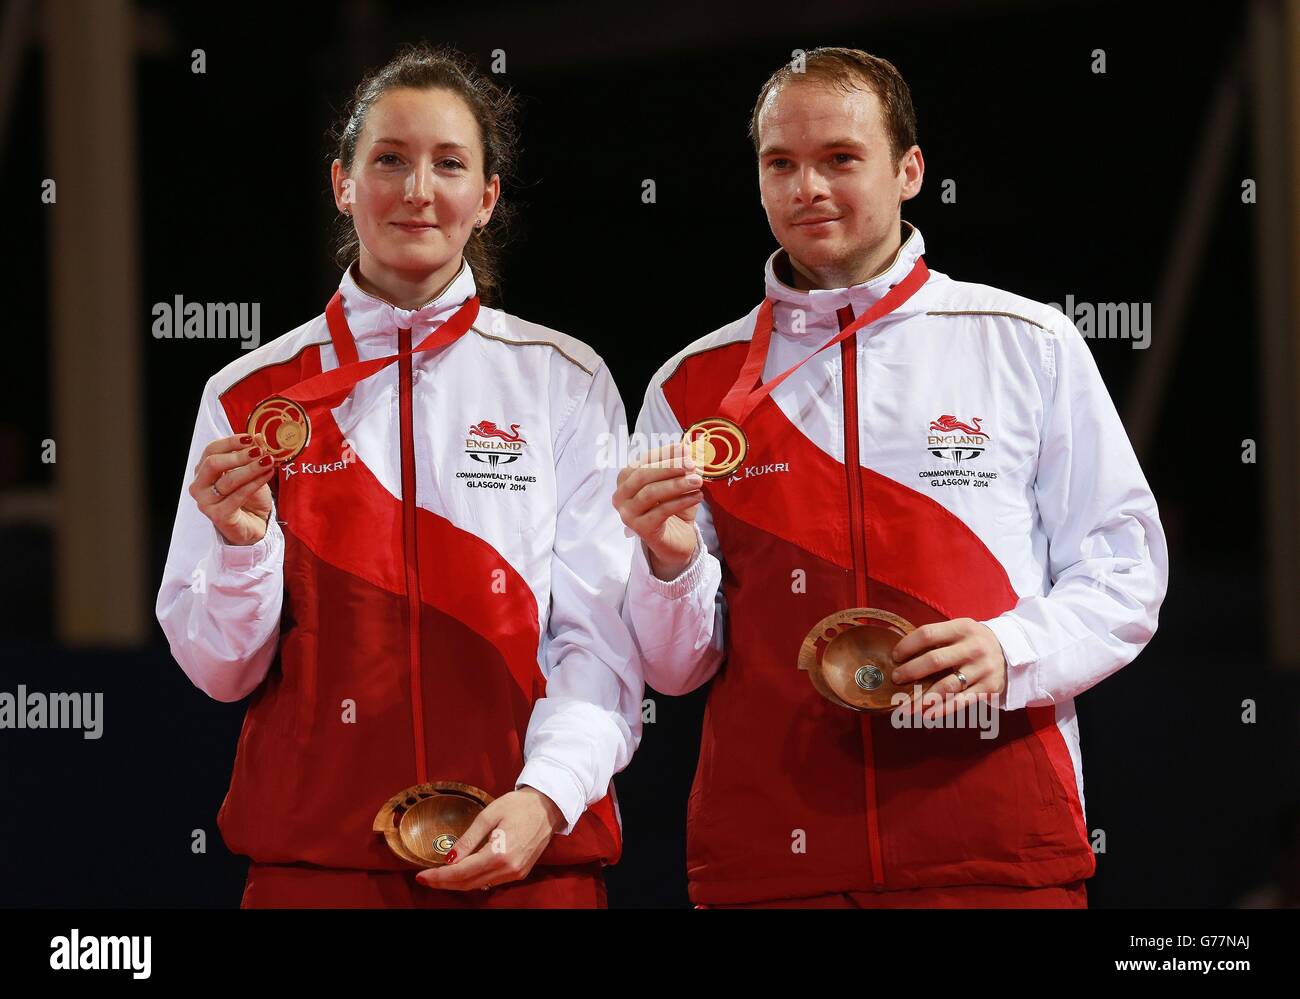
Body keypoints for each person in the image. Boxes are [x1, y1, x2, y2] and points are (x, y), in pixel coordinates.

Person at [614, 47, 1169, 908]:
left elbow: (1126, 575)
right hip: (772, 861)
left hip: (992, 845)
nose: (808, 188)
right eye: (781, 164)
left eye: (840, 158)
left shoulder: (1025, 342)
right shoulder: (690, 385)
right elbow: (676, 669)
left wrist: (1012, 649)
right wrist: (669, 562)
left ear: (910, 171)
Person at [156, 44, 642, 908]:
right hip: (317, 869)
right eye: (389, 160)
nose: (418, 190)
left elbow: (600, 636)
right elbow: (220, 669)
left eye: (449, 164)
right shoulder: (250, 394)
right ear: (342, 183)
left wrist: (548, 796)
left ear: (486, 199)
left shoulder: (565, 381)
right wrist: (242, 549)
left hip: (530, 861)